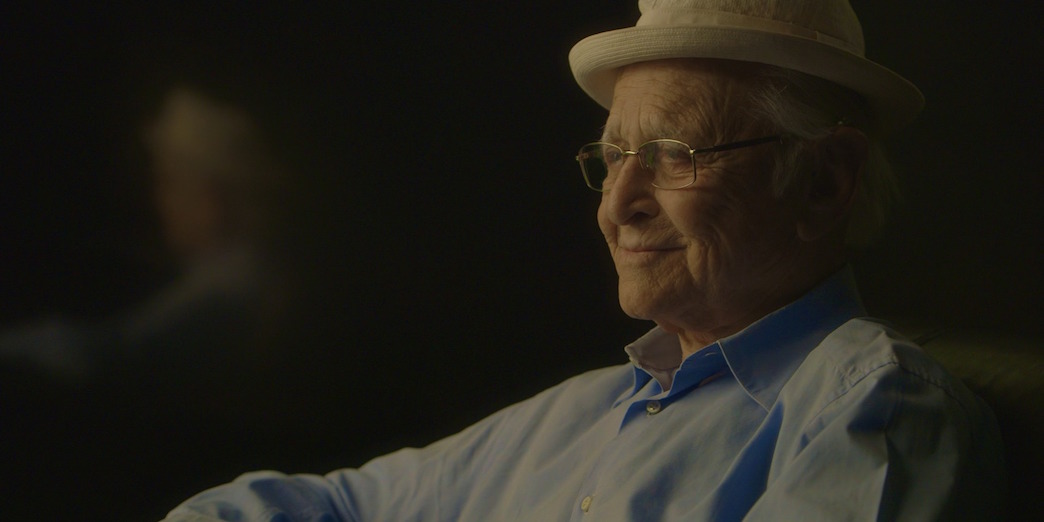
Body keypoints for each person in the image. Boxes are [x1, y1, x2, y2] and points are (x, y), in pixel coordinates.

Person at [162, 1, 1006, 520]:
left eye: (673, 155)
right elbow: (330, 505)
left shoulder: (877, 409)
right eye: (612, 159)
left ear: (825, 182)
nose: (616, 203)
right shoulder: (580, 414)